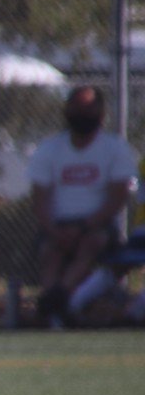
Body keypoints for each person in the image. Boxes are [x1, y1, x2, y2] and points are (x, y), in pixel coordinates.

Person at [27, 86, 138, 328]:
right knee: (50, 253)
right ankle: (58, 311)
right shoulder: (49, 149)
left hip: (97, 226)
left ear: (100, 112)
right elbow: (40, 200)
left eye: (88, 108)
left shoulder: (115, 148)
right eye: (77, 108)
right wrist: (56, 231)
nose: (82, 114)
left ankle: (54, 302)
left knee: (91, 244)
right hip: (58, 226)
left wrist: (85, 226)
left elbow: (118, 198)